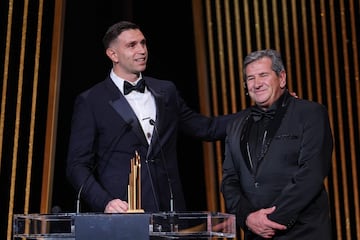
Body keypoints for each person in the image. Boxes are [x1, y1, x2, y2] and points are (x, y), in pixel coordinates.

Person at [66, 20, 238, 214]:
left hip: (171, 212)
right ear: (112, 54)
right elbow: (77, 166)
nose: (142, 50)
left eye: (143, 43)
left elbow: (206, 128)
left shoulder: (166, 91)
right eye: (132, 45)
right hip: (124, 214)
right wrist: (105, 202)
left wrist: (256, 112)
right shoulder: (92, 100)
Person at [221, 49, 333, 239]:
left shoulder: (310, 113)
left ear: (282, 78)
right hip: (255, 233)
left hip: (302, 232)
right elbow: (229, 180)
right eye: (250, 78)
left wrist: (271, 220)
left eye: (263, 75)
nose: (257, 84)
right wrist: (248, 218)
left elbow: (311, 173)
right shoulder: (235, 126)